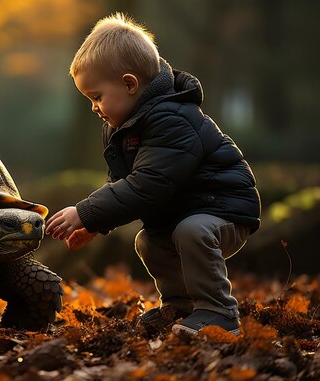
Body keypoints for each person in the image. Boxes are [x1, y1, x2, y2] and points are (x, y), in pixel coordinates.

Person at [45, 13, 261, 336]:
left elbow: (147, 185)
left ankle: (219, 312)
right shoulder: (121, 128)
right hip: (187, 210)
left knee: (191, 232)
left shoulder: (172, 120)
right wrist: (96, 223)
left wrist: (85, 212)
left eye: (97, 96)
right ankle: (180, 306)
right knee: (149, 241)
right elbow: (120, 185)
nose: (94, 108)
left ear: (130, 84)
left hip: (224, 207)